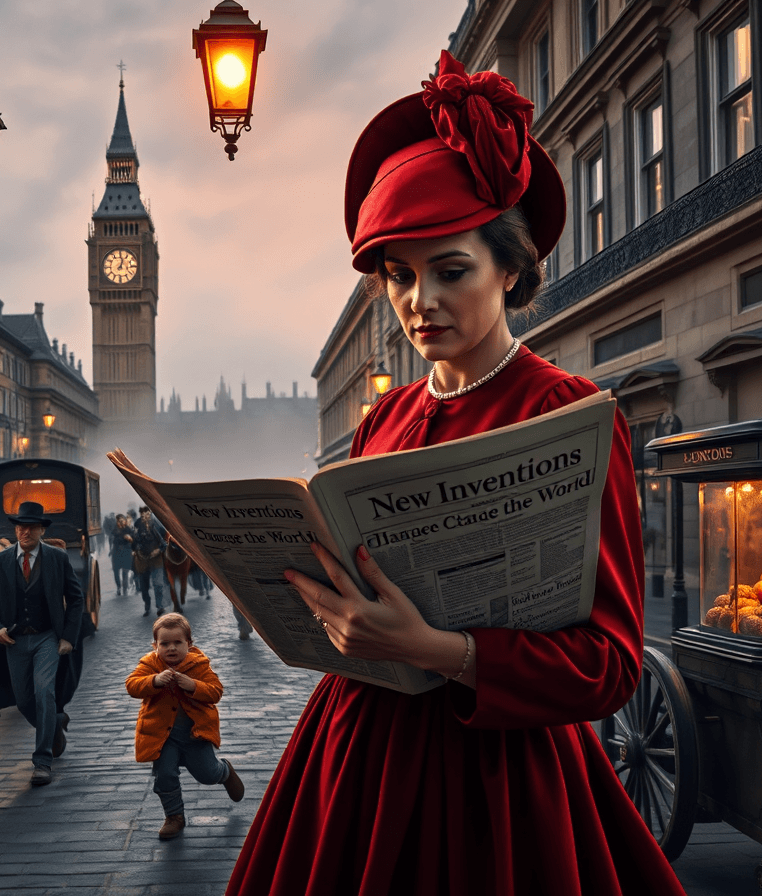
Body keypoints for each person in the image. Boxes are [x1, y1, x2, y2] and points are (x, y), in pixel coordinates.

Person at [225, 52, 687, 896]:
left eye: (450, 270)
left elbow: (611, 664)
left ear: (511, 269)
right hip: (355, 754)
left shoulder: (566, 411)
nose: (418, 303)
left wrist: (441, 652)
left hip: (497, 777)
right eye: (398, 276)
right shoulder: (383, 417)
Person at [0, 501, 84, 786]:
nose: (25, 532)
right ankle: (54, 724)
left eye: (31, 527)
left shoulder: (57, 558)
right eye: (20, 526)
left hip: (47, 637)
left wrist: (67, 637)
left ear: (41, 530)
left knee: (43, 692)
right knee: (24, 700)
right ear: (16, 529)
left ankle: (42, 761)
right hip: (14, 640)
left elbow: (76, 599)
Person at [125, 612, 243, 841]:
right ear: (155, 645)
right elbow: (132, 685)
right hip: (162, 736)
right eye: (164, 643)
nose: (171, 648)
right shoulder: (150, 664)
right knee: (164, 774)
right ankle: (174, 817)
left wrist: (193, 686)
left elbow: (216, 691)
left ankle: (225, 772)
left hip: (194, 735)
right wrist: (154, 681)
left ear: (189, 644)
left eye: (177, 643)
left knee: (207, 774)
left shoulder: (198, 664)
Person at [131, 506, 167, 617]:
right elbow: (133, 545)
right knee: (144, 586)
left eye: (145, 514)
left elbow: (164, 543)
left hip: (156, 560)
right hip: (143, 560)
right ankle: (147, 605)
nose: (143, 517)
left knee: (158, 584)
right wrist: (136, 545)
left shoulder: (157, 525)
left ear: (149, 513)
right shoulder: (137, 526)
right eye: (141, 515)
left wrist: (158, 550)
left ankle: (160, 606)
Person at [109, 513, 136, 596]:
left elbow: (134, 540)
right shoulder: (114, 530)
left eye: (122, 521)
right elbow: (112, 539)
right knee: (116, 571)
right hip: (116, 552)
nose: (120, 522)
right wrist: (111, 549)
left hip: (126, 552)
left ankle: (125, 588)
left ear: (125, 521)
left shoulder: (129, 530)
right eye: (118, 521)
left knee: (125, 571)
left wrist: (130, 539)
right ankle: (118, 587)